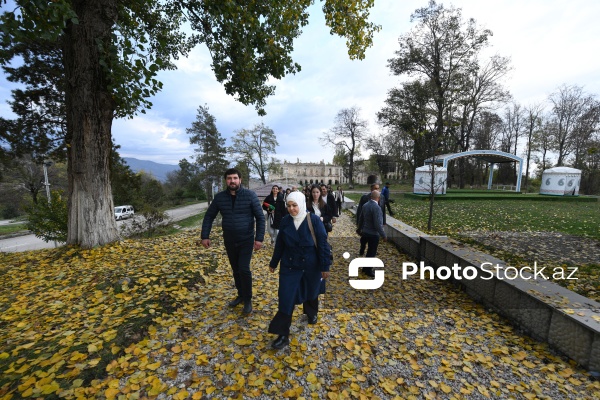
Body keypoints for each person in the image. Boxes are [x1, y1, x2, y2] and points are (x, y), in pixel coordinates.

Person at [268, 191, 331, 349]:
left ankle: (311, 313)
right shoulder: (285, 221)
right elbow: (280, 244)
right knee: (285, 297)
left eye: (294, 205)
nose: (291, 209)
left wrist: (325, 266)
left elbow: (322, 244)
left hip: (311, 265)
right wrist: (274, 262)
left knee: (311, 291)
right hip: (290, 266)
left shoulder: (314, 220)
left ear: (302, 204)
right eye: (288, 206)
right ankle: (283, 335)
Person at [200, 168, 265, 315]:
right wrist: (205, 236)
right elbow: (209, 216)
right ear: (226, 181)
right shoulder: (220, 198)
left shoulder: (250, 195)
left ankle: (248, 299)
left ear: (240, 180)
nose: (232, 181)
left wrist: (259, 239)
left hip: (246, 239)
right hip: (229, 239)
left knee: (244, 269)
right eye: (229, 178)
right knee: (235, 270)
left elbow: (260, 218)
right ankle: (241, 295)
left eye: (235, 178)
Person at [357, 190, 387, 277]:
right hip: (373, 234)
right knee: (371, 252)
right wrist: (383, 235)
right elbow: (378, 224)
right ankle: (368, 270)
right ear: (378, 198)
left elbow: (361, 218)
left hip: (365, 232)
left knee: (369, 251)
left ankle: (365, 268)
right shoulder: (377, 208)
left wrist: (359, 228)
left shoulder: (365, 205)